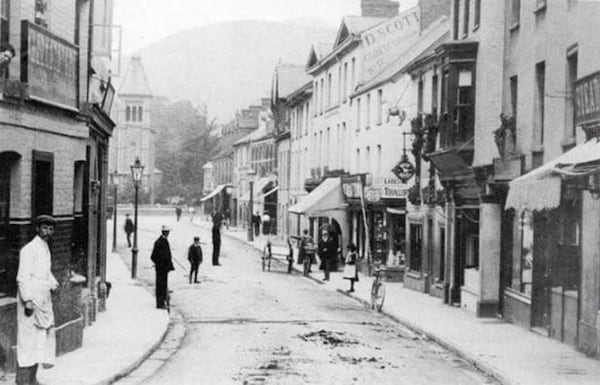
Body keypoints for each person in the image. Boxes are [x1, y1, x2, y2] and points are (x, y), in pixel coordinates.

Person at [16, 215, 59, 385]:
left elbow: (44, 271)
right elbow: (23, 276)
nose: (47, 232)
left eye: (50, 229)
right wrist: (27, 300)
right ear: (37, 229)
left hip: (44, 301)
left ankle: (33, 379)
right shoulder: (29, 249)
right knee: (27, 341)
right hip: (31, 301)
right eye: (44, 228)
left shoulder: (45, 248)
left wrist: (53, 283)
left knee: (40, 342)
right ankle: (22, 381)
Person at [150, 225, 175, 309]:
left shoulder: (164, 241)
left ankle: (162, 301)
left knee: (163, 285)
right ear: (166, 232)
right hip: (161, 268)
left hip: (164, 268)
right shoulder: (159, 242)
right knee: (160, 286)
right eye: (168, 232)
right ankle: (160, 304)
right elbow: (153, 256)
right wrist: (160, 264)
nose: (169, 233)